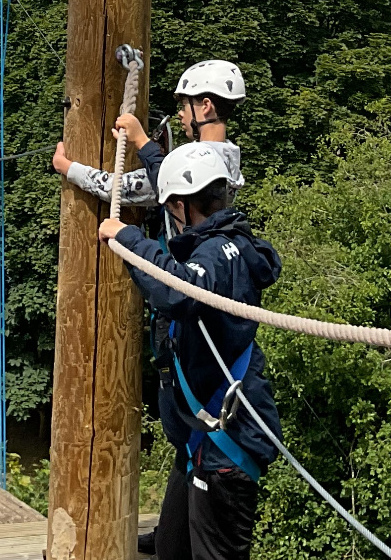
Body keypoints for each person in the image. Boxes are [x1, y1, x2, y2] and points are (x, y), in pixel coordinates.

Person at [101, 144, 285, 560]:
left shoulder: (216, 255)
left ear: (183, 205)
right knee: (170, 547)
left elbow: (177, 291)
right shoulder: (221, 240)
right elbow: (177, 197)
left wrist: (126, 237)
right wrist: (144, 144)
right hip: (202, 440)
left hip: (225, 447)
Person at [52, 59, 246, 210]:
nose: (180, 112)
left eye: (185, 104)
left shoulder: (198, 167)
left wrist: (67, 167)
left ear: (206, 106)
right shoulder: (229, 159)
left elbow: (116, 189)